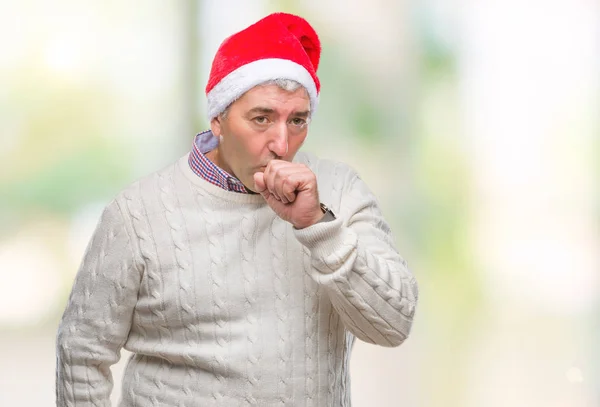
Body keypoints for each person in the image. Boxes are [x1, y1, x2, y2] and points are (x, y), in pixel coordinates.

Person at [56, 12, 418, 407]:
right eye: (261, 119)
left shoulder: (342, 191)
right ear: (218, 120)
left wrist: (318, 227)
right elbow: (81, 353)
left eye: (297, 120)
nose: (282, 142)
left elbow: (393, 326)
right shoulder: (138, 214)